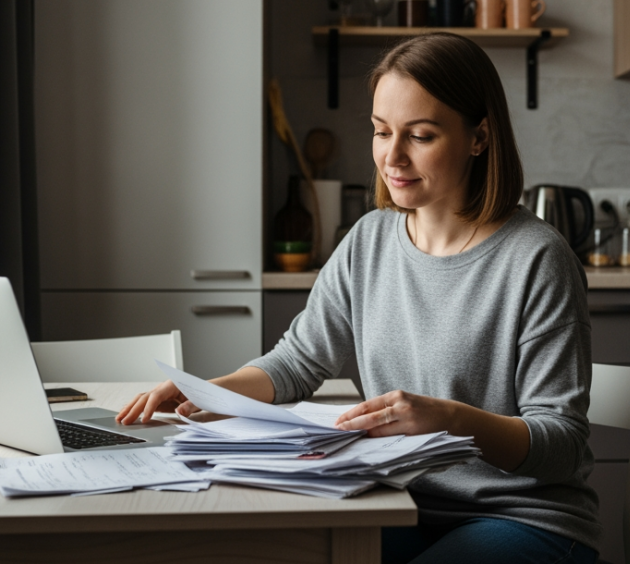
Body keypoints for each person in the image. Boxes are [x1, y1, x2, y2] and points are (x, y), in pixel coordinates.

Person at [118, 32, 600, 564]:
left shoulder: (538, 258)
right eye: (381, 131)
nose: (392, 157)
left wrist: (451, 419)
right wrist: (208, 392)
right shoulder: (369, 239)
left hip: (522, 516)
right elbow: (298, 362)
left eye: (420, 135)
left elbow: (560, 444)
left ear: (479, 137)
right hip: (397, 502)